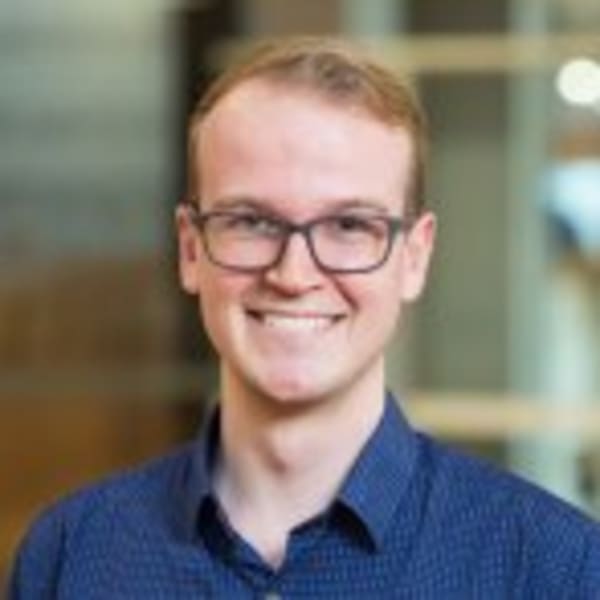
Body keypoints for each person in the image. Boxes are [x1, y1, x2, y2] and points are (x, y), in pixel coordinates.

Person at [8, 36, 600, 599]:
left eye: (349, 225)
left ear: (414, 258)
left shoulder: (555, 570)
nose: (293, 275)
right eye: (251, 222)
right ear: (190, 249)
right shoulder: (70, 557)